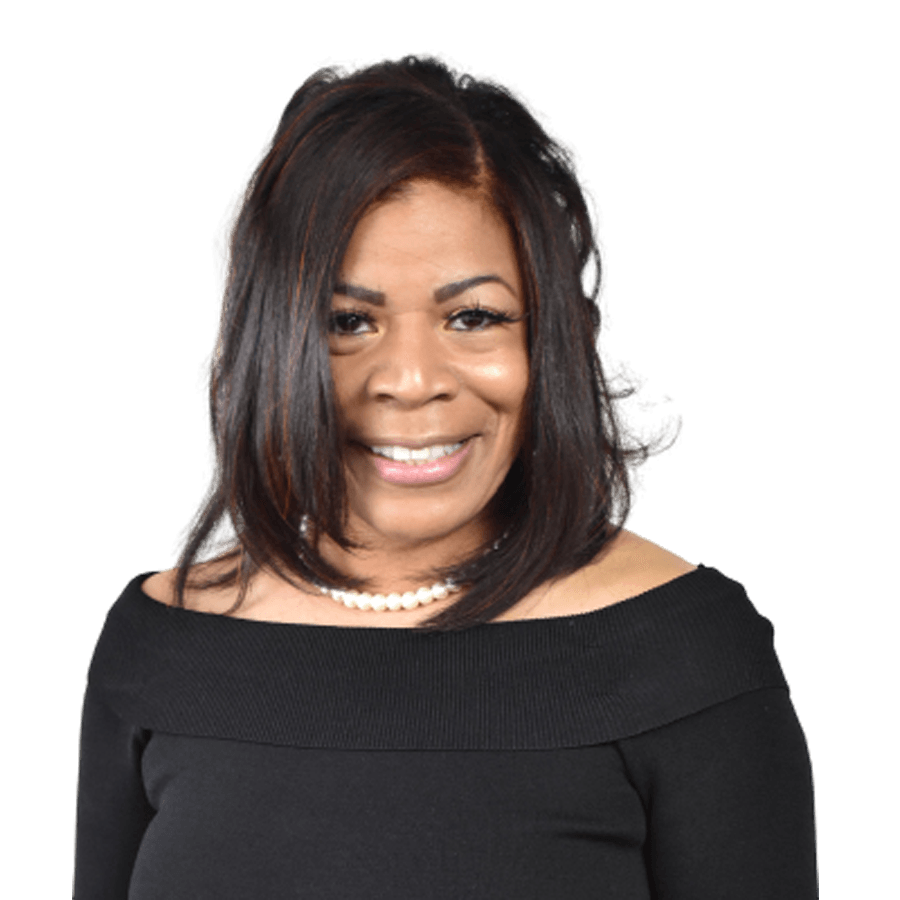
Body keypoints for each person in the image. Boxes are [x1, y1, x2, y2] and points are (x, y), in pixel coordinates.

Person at [73, 57, 818, 898]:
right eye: (347, 321)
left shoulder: (682, 655)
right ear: (265, 343)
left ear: (548, 345)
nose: (411, 377)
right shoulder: (159, 645)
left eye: (474, 317)